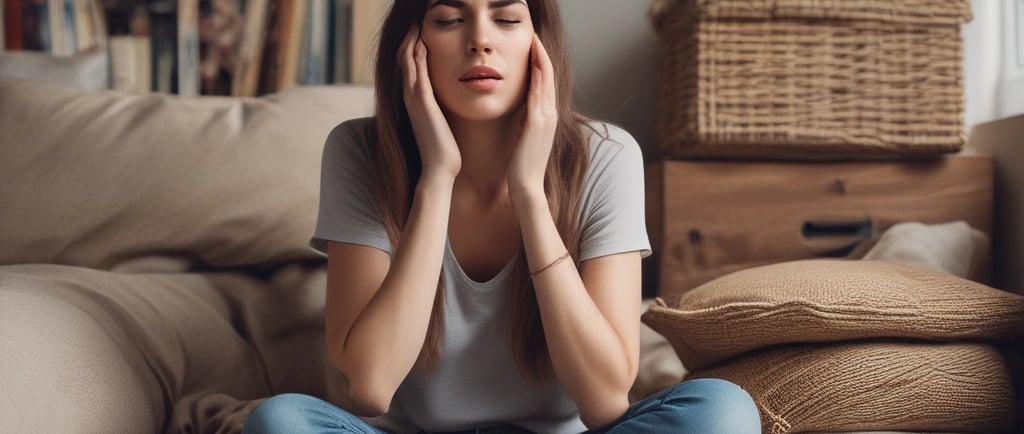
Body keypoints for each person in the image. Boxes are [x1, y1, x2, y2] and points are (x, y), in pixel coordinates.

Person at [243, 0, 761, 433]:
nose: (480, 41)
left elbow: (604, 400)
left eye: (507, 19)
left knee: (721, 411)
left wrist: (530, 195)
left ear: (540, 41)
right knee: (281, 421)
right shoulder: (359, 151)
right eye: (449, 19)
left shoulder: (607, 155)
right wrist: (436, 180)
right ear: (411, 44)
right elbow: (371, 386)